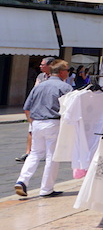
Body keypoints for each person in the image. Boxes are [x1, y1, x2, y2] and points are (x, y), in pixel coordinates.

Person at [15, 58, 73, 198]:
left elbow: (26, 108)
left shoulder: (39, 86)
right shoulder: (65, 88)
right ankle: (46, 189)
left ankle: (22, 180)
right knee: (52, 157)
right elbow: (71, 109)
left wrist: (32, 122)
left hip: (37, 123)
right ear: (61, 72)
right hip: (53, 123)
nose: (68, 73)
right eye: (67, 71)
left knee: (35, 153)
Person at [17, 57, 55, 163]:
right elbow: (35, 89)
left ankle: (49, 153)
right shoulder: (40, 76)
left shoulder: (57, 77)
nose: (40, 66)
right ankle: (28, 152)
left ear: (50, 65)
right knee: (31, 130)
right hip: (37, 106)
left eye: (43, 64)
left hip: (50, 109)